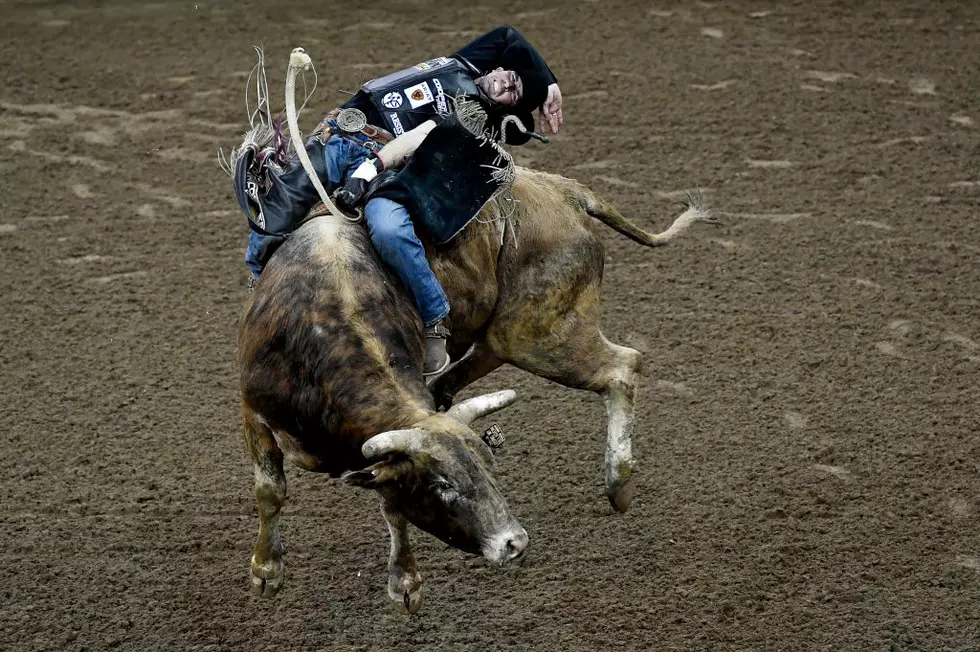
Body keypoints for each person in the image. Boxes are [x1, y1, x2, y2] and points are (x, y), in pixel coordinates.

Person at [235, 26, 564, 375]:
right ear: (498, 68)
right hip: (340, 134)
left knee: (388, 227)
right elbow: (506, 36)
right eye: (511, 78)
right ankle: (259, 293)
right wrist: (548, 81)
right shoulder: (465, 64)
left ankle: (434, 317)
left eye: (512, 94)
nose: (506, 86)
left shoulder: (471, 120)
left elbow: (419, 138)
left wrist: (369, 170)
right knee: (274, 211)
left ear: (506, 107)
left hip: (389, 160)